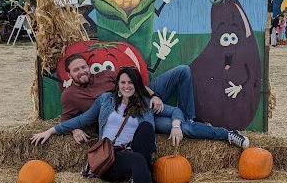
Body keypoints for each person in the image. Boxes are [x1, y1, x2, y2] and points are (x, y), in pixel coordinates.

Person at [31, 67, 186, 183]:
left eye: (131, 82)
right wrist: (51, 131)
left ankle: (135, 178)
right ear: (118, 85)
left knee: (146, 128)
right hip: (109, 159)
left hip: (131, 154)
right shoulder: (106, 100)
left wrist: (176, 125)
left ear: (137, 85)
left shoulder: (146, 103)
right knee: (136, 160)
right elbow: (82, 119)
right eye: (123, 82)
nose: (127, 86)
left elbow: (176, 111)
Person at [61, 54, 249, 148]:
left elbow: (135, 85)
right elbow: (67, 119)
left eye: (83, 67)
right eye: (76, 70)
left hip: (143, 99)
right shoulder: (70, 95)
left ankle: (189, 117)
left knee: (183, 70)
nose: (82, 71)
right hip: (137, 118)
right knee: (185, 129)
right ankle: (226, 134)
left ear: (88, 66)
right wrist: (75, 129)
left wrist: (154, 96)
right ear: (69, 74)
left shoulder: (107, 75)